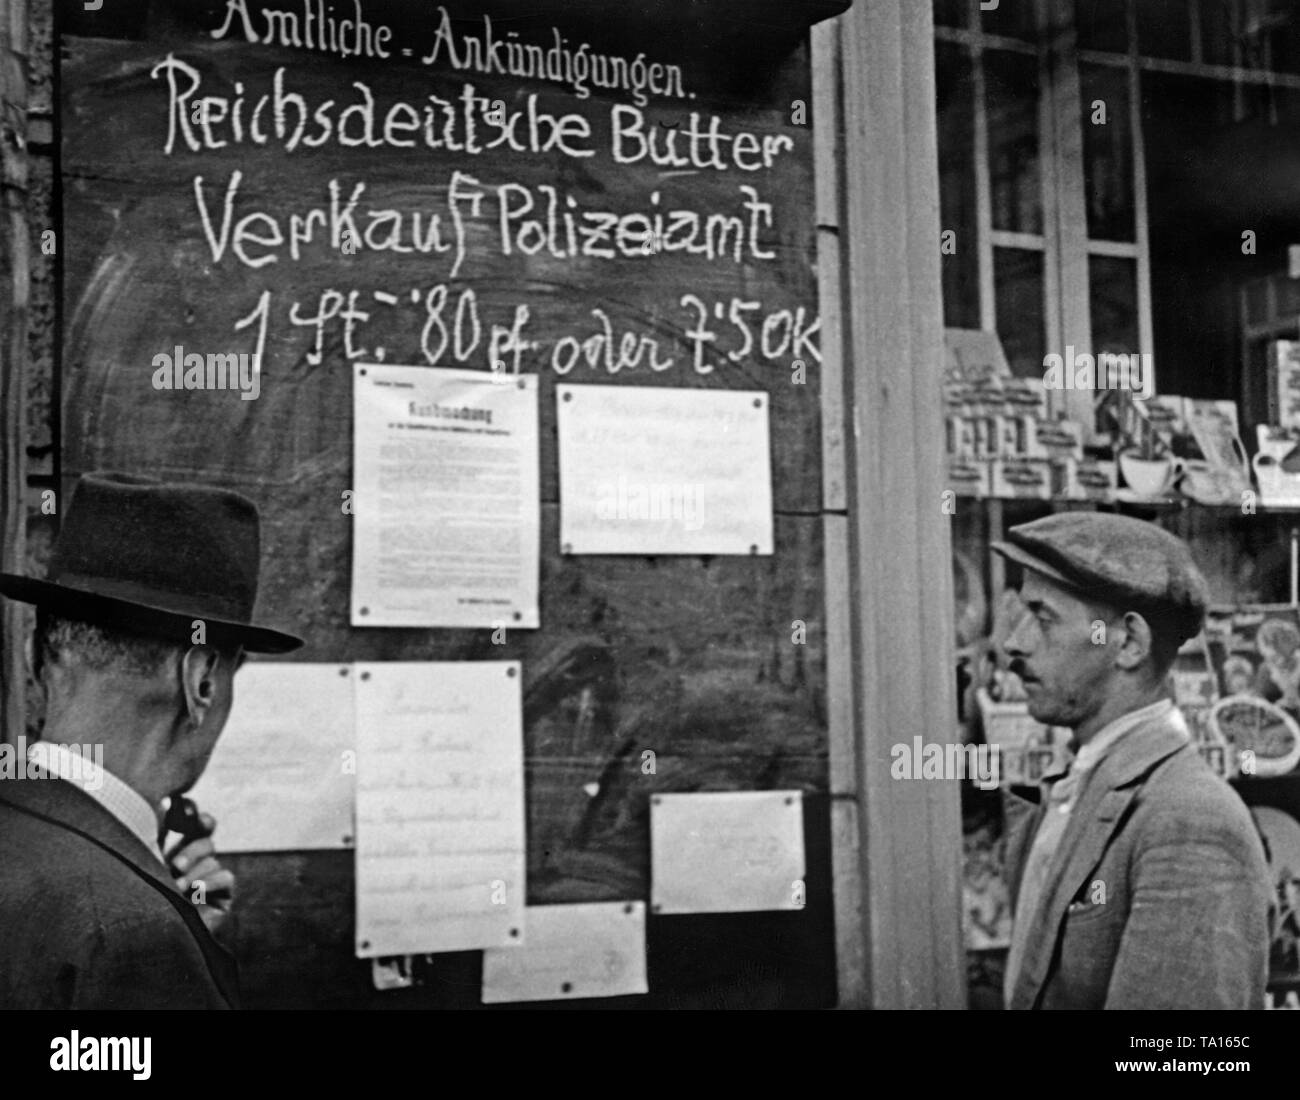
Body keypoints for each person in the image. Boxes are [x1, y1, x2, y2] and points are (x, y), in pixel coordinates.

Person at [0, 473, 301, 1008]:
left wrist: (183, 926)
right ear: (201, 682)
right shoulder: (136, 933)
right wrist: (172, 945)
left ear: (33, 657)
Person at [995, 512, 1271, 1010]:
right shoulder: (1077, 785)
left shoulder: (1191, 820)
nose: (1014, 642)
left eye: (1043, 616)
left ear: (1127, 643)